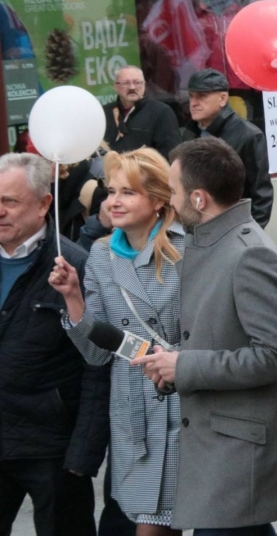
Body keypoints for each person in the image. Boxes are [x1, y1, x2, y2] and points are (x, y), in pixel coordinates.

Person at [135, 137, 277, 534]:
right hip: (218, 453)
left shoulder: (249, 253)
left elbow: (276, 356)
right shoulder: (210, 244)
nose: (169, 201)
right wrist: (171, 367)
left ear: (198, 198)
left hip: (237, 455)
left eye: (174, 191)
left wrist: (184, 366)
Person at [49, 147, 184, 536]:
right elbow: (96, 354)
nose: (113, 202)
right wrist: (73, 297)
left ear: (157, 199)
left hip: (184, 401)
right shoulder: (101, 254)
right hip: (132, 411)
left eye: (128, 192)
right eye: (111, 192)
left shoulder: (187, 249)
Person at [0, 154, 108, 536]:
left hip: (53, 448)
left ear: (44, 203)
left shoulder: (76, 266)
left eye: (9, 201)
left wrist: (83, 453)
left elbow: (96, 366)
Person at [182, 69, 273, 228]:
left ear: (223, 98)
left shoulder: (249, 135)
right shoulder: (190, 132)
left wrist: (250, 234)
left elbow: (261, 195)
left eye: (202, 96)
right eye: (191, 96)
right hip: (197, 226)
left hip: (234, 227)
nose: (193, 103)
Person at [104, 66, 182, 160]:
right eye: (126, 83)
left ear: (144, 85)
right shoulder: (105, 113)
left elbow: (171, 153)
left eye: (137, 82)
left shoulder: (161, 112)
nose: (132, 87)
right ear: (116, 86)